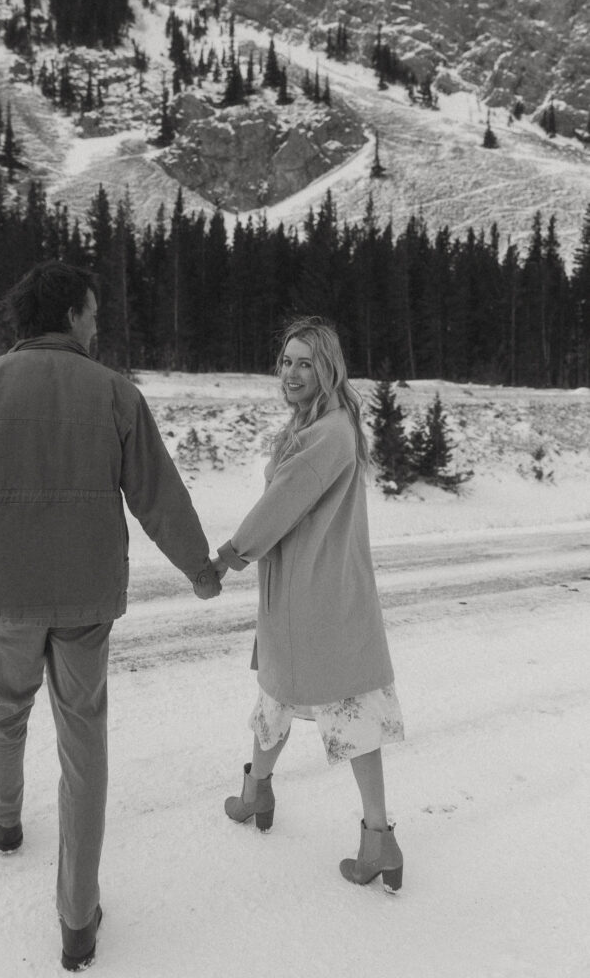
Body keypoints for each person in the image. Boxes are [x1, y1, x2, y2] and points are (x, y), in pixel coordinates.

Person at [0, 260, 222, 970]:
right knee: (83, 739)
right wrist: (198, 570)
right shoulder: (116, 393)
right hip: (86, 598)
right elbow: (159, 497)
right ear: (70, 315)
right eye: (92, 312)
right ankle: (78, 919)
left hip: (6, 592)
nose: (97, 324)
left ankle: (3, 816)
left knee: (6, 705)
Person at [211, 317, 405, 892]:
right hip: (323, 592)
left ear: (328, 368)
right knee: (310, 704)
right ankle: (270, 800)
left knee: (319, 707)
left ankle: (367, 837)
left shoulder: (325, 433)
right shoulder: (329, 423)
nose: (291, 374)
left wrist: (228, 556)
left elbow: (279, 505)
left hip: (309, 598)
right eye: (286, 362)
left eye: (305, 363)